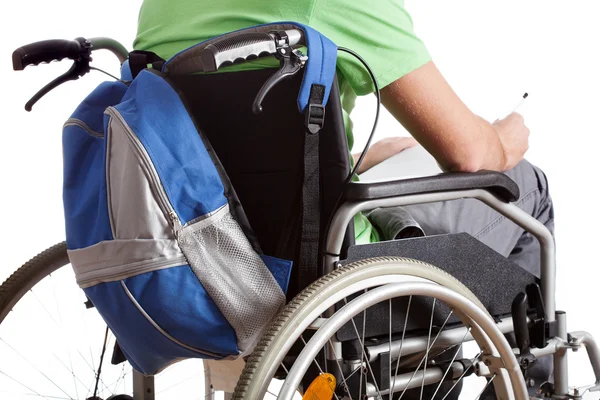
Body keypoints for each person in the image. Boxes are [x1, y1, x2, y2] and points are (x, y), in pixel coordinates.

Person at [134, 0, 554, 395]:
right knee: (527, 185)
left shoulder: (162, 9)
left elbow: (221, 153)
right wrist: (506, 136)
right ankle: (524, 381)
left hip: (207, 264)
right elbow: (472, 156)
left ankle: (417, 361)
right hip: (323, 273)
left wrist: (361, 158)